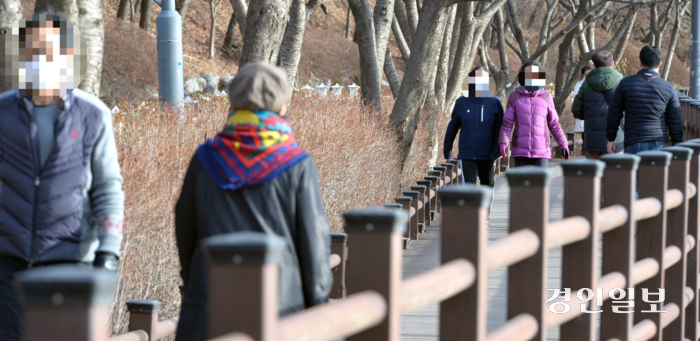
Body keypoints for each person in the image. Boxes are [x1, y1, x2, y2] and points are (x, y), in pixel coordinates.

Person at [174, 62, 333, 340]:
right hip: (281, 311)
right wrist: (318, 311)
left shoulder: (204, 159)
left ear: (233, 105)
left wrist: (194, 285)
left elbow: (185, 230)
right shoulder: (296, 165)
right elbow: (314, 243)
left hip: (209, 307)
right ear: (282, 108)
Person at [0, 14, 125, 341]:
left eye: (49, 51)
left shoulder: (93, 115)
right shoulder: (2, 113)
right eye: (31, 51)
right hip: (8, 265)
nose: (40, 59)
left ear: (67, 56)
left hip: (71, 263)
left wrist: (109, 253)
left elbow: (107, 188)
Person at [607, 46, 682, 154]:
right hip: (658, 142)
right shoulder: (668, 88)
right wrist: (677, 144)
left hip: (633, 142)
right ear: (660, 64)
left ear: (640, 62)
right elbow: (675, 120)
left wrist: (611, 138)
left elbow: (614, 113)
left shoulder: (625, 84)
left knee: (634, 171)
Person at [498, 61, 569, 168]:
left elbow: (554, 123)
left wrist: (563, 144)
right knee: (521, 184)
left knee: (540, 184)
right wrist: (503, 142)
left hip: (542, 151)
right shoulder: (514, 97)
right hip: (520, 149)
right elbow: (507, 123)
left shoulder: (546, 97)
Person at [444, 66, 504, 189]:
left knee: (487, 189)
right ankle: (472, 209)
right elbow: (453, 127)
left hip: (488, 155)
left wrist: (495, 152)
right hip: (467, 154)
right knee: (469, 191)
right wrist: (447, 150)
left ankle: (485, 209)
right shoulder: (461, 102)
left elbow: (500, 129)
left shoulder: (495, 102)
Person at [572, 50, 625, 159]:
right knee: (616, 175)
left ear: (594, 66)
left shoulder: (586, 84)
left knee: (594, 175)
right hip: (617, 140)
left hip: (592, 141)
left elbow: (576, 110)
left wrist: (590, 116)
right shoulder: (622, 83)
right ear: (612, 64)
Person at [572, 64, 593, 142]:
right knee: (584, 134)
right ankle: (585, 152)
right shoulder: (579, 84)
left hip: (592, 111)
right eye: (586, 74)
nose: (587, 76)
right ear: (583, 74)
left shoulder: (595, 83)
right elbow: (575, 95)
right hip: (583, 111)